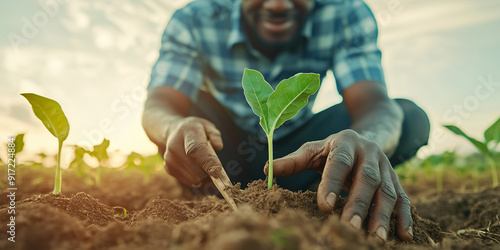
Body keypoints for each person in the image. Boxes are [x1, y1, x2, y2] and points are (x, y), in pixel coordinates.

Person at [142, 0, 430, 245]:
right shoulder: (195, 18)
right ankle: (215, 191)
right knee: (183, 113)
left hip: (301, 156)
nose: (278, 5)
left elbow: (374, 102)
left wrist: (368, 140)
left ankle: (319, 192)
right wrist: (171, 127)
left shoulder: (344, 12)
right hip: (222, 154)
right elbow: (159, 104)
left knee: (408, 117)